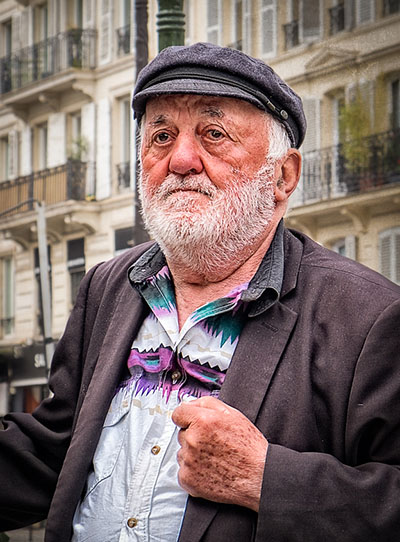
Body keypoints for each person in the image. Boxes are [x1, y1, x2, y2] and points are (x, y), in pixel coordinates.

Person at [1, 42, 400, 542]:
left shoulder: (369, 317)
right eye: (161, 136)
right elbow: (53, 453)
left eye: (214, 134)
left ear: (282, 175)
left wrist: (264, 478)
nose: (181, 159)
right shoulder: (107, 286)